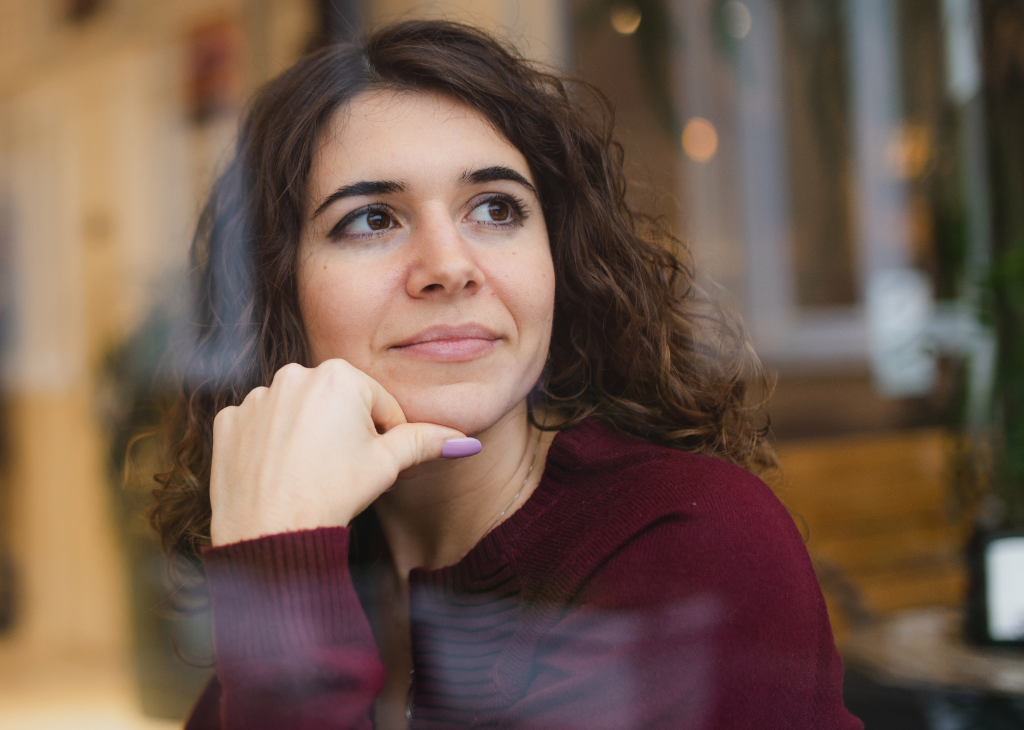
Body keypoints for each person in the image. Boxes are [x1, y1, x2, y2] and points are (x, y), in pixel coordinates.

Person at [147, 20, 860, 730]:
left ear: (559, 261)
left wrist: (277, 587)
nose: (450, 266)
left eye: (495, 208)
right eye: (371, 220)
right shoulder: (321, 563)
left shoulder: (691, 541)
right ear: (274, 290)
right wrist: (284, 562)